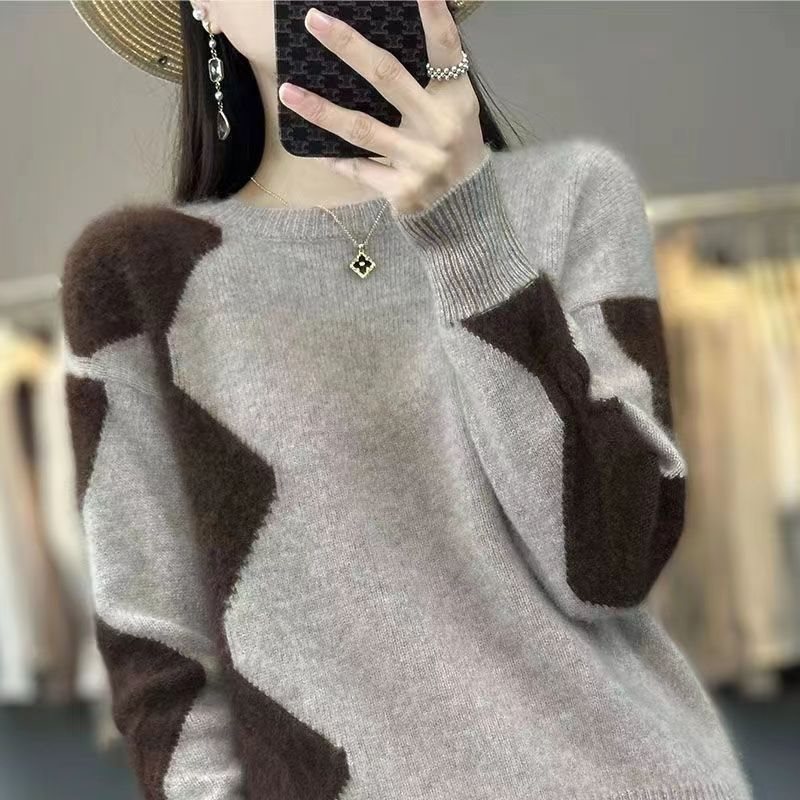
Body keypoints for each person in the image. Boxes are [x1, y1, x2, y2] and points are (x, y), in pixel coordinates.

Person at [61, 1, 753, 799]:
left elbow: (611, 567)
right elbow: (161, 672)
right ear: (203, 7)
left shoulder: (571, 197)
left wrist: (467, 233)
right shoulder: (138, 280)